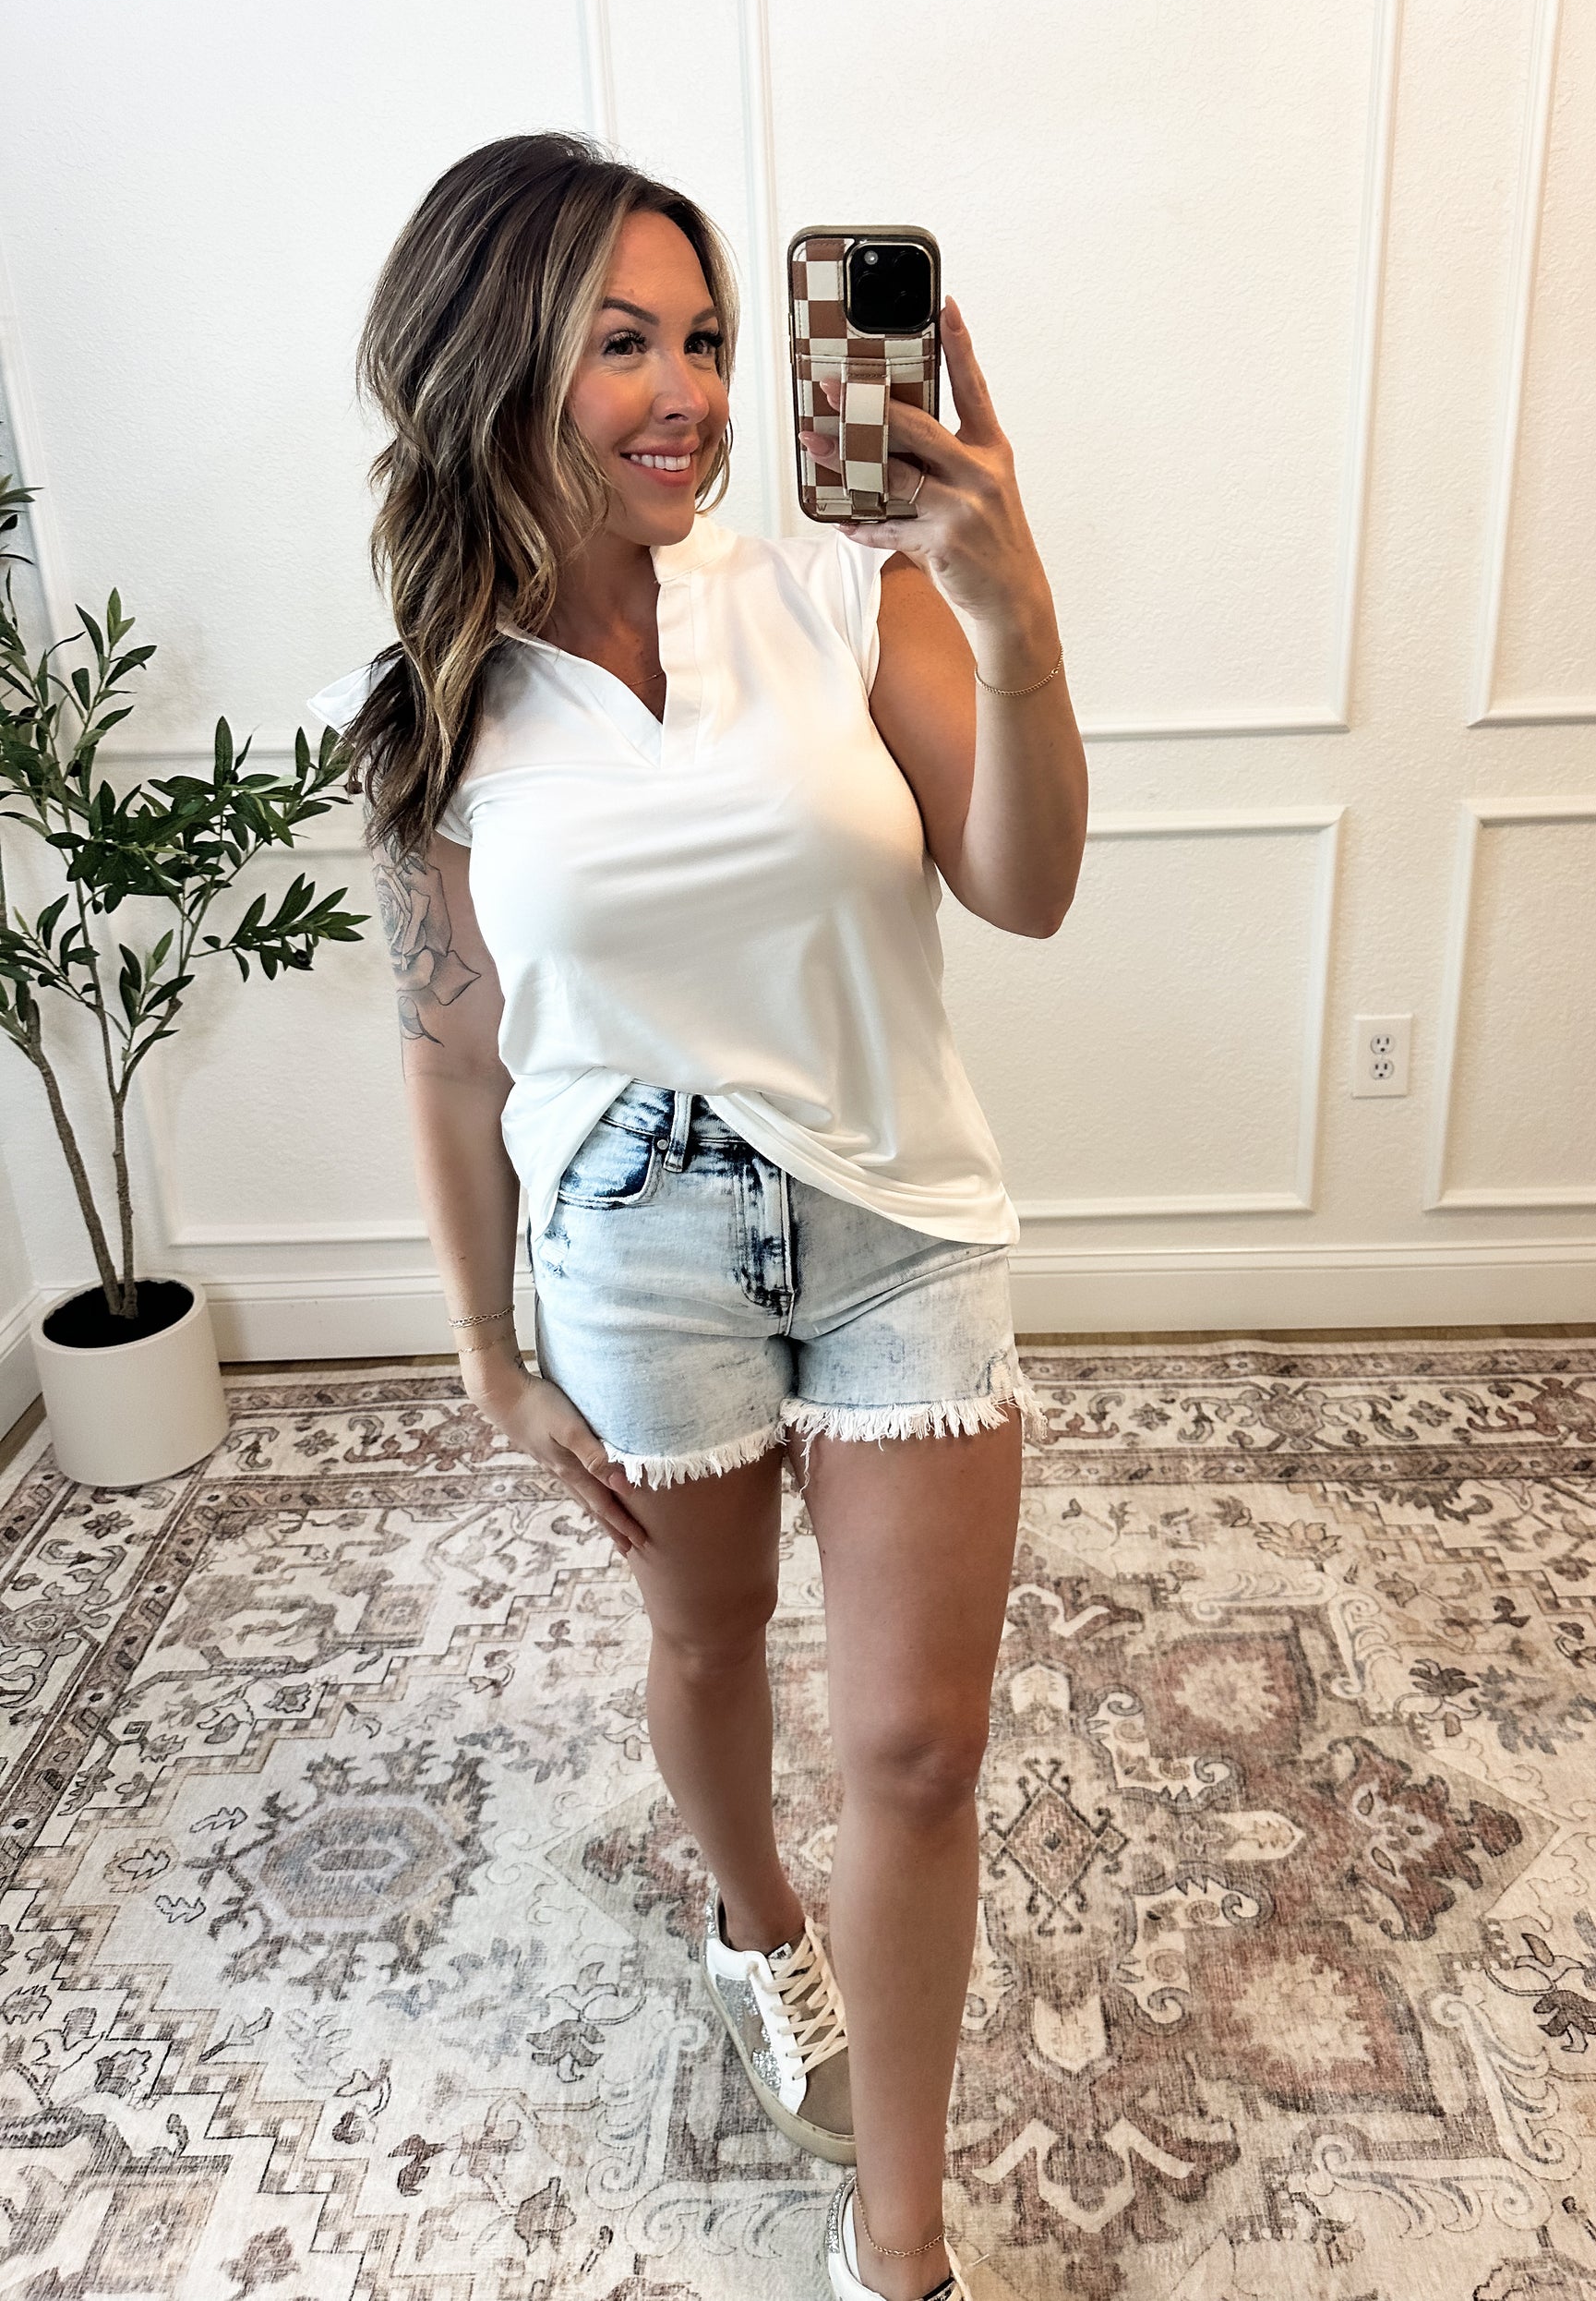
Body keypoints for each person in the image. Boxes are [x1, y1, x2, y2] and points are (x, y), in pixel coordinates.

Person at [306, 131, 1086, 2301]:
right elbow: (453, 1055)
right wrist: (489, 1355)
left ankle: (899, 2247)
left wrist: (1013, 618)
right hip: (631, 1240)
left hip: (900, 1207)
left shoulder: (844, 586)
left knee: (918, 1745)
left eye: (713, 339)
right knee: (709, 1637)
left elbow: (1024, 885)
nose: (693, 395)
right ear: (495, 363)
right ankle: (755, 1921)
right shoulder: (439, 707)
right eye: (625, 343)